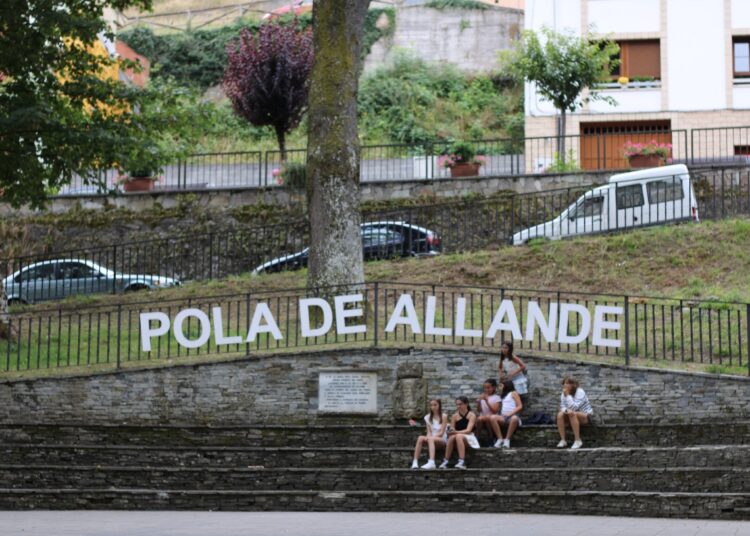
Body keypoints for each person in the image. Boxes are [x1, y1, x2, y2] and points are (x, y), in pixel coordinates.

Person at [439, 396, 479, 469]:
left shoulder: (472, 415)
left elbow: (468, 430)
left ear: (466, 404)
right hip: (457, 437)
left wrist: (455, 432)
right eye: (457, 404)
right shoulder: (454, 416)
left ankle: (462, 461)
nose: (458, 406)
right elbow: (452, 428)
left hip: (469, 437)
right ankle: (446, 461)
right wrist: (450, 431)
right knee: (452, 437)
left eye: (460, 404)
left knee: (458, 436)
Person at [556, 376, 594, 449]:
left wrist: (567, 395)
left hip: (585, 416)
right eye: (564, 383)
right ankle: (563, 440)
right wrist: (566, 410)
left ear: (573, 385)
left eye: (567, 383)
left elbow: (575, 407)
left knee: (573, 413)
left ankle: (577, 440)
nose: (565, 385)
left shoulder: (580, 391)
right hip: (571, 415)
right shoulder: (563, 393)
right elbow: (562, 407)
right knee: (560, 414)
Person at [409, 399, 448, 470]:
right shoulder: (427, 417)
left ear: (439, 405)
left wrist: (430, 437)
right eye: (431, 405)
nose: (433, 407)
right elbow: (429, 431)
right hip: (432, 438)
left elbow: (442, 432)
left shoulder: (444, 416)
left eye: (435, 405)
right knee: (420, 437)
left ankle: (432, 462)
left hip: (441, 439)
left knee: (430, 438)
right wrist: (427, 437)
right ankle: (415, 462)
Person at [490, 380, 523, 448]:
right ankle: (500, 439)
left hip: (513, 417)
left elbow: (520, 406)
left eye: (501, 385)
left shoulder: (513, 393)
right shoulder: (503, 395)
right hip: (504, 417)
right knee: (492, 418)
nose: (499, 387)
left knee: (514, 418)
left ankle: (507, 439)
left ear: (506, 385)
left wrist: (510, 413)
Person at [498, 340, 529, 405]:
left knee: (518, 398)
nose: (504, 349)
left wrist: (514, 373)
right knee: (510, 397)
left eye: (506, 348)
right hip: (510, 381)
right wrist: (501, 374)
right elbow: (500, 367)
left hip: (518, 379)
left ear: (510, 349)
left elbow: (523, 366)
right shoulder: (502, 358)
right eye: (503, 347)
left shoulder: (513, 357)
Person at [475, 378, 501, 445]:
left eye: (488, 388)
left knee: (487, 418)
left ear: (494, 388)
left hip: (492, 417)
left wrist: (486, 401)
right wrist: (479, 402)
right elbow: (479, 410)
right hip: (482, 417)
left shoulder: (497, 397)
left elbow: (495, 411)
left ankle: (491, 437)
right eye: (485, 388)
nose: (486, 390)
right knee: (479, 418)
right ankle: (477, 437)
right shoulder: (482, 396)